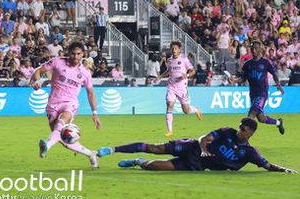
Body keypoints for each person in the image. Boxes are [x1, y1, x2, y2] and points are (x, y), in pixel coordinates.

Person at [97, 118, 296, 173]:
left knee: (155, 166)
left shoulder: (249, 152)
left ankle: (137, 161)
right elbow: (204, 137)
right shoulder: (227, 131)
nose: (239, 131)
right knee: (154, 147)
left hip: (197, 165)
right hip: (191, 147)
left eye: (243, 129)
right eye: (240, 127)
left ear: (250, 133)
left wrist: (283, 169)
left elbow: (266, 165)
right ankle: (112, 149)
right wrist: (203, 149)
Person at [29, 42, 101, 168]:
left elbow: (90, 92)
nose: (75, 56)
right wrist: (36, 81)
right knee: (63, 138)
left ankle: (47, 145)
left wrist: (94, 113)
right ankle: (90, 154)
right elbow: (38, 71)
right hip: (53, 104)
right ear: (68, 53)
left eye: (78, 54)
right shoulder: (57, 62)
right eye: (73, 53)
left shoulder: (85, 72)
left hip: (70, 103)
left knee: (62, 121)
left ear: (83, 54)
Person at [227, 41, 285, 134]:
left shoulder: (265, 62)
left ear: (260, 49)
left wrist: (278, 84)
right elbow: (243, 78)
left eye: (256, 48)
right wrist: (234, 81)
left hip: (262, 93)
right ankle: (278, 122)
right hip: (253, 94)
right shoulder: (247, 64)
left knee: (251, 115)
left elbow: (274, 74)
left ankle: (242, 137)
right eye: (252, 48)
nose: (254, 50)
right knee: (261, 118)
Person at [156, 41, 202, 136]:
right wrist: (161, 76)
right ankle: (170, 131)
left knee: (186, 111)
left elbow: (193, 70)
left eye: (176, 48)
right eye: (172, 48)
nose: (174, 50)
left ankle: (195, 109)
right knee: (169, 105)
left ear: (179, 49)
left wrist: (187, 75)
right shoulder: (169, 60)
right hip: (171, 86)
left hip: (182, 88)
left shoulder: (184, 60)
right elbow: (169, 71)